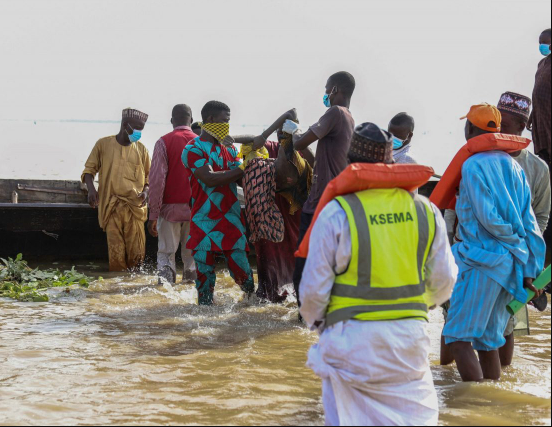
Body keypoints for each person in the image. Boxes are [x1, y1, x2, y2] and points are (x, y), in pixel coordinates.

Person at [299, 123, 457, 426]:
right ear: (391, 163)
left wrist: (318, 323)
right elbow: (446, 280)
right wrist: (419, 306)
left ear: (349, 163)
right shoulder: (425, 210)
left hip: (352, 342)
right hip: (409, 340)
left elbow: (313, 292)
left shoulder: (337, 212)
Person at [441, 93, 551, 367]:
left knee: (459, 335)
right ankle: (490, 398)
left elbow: (494, 217)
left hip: (481, 260)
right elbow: (530, 225)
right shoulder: (512, 167)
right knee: (489, 337)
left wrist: (522, 258)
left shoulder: (476, 164)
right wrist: (527, 263)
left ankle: (467, 400)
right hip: (510, 263)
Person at [292, 71, 356, 308]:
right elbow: (317, 158)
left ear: (335, 89)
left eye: (327, 88)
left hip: (321, 203)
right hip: (332, 202)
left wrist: (293, 132)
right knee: (325, 264)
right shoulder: (349, 117)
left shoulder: (335, 112)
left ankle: (303, 320)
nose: (325, 93)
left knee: (304, 266)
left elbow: (300, 143)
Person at [182, 101, 254, 305]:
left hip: (230, 218)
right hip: (203, 219)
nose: (227, 126)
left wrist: (253, 161)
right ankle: (205, 320)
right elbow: (210, 179)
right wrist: (243, 168)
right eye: (225, 121)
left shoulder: (230, 150)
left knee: (242, 271)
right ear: (211, 120)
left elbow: (241, 178)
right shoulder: (193, 148)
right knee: (204, 278)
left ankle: (250, 305)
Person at [247, 110, 314, 302]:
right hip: (271, 211)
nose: (282, 136)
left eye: (286, 132)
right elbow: (253, 143)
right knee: (269, 251)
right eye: (279, 132)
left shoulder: (302, 150)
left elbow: (315, 166)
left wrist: (297, 137)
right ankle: (269, 295)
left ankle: (295, 295)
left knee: (296, 252)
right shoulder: (269, 147)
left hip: (295, 210)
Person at [82, 108, 151, 272]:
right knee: (116, 256)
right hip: (110, 207)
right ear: (125, 125)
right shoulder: (103, 145)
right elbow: (88, 172)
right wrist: (91, 190)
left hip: (135, 208)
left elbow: (150, 178)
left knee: (137, 258)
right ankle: (116, 287)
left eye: (142, 129)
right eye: (137, 128)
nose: (139, 132)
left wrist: (146, 192)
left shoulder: (142, 150)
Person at [148, 104, 198, 284]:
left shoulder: (163, 142)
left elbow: (156, 181)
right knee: (191, 257)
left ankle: (164, 295)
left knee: (166, 254)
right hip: (196, 210)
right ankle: (190, 294)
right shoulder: (200, 142)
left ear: (171, 121)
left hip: (169, 210)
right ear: (191, 121)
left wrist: (153, 215)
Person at [528, 28, 551, 261]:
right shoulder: (542, 65)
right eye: (541, 42)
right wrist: (532, 115)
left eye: (546, 43)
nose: (543, 46)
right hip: (542, 137)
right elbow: (538, 95)